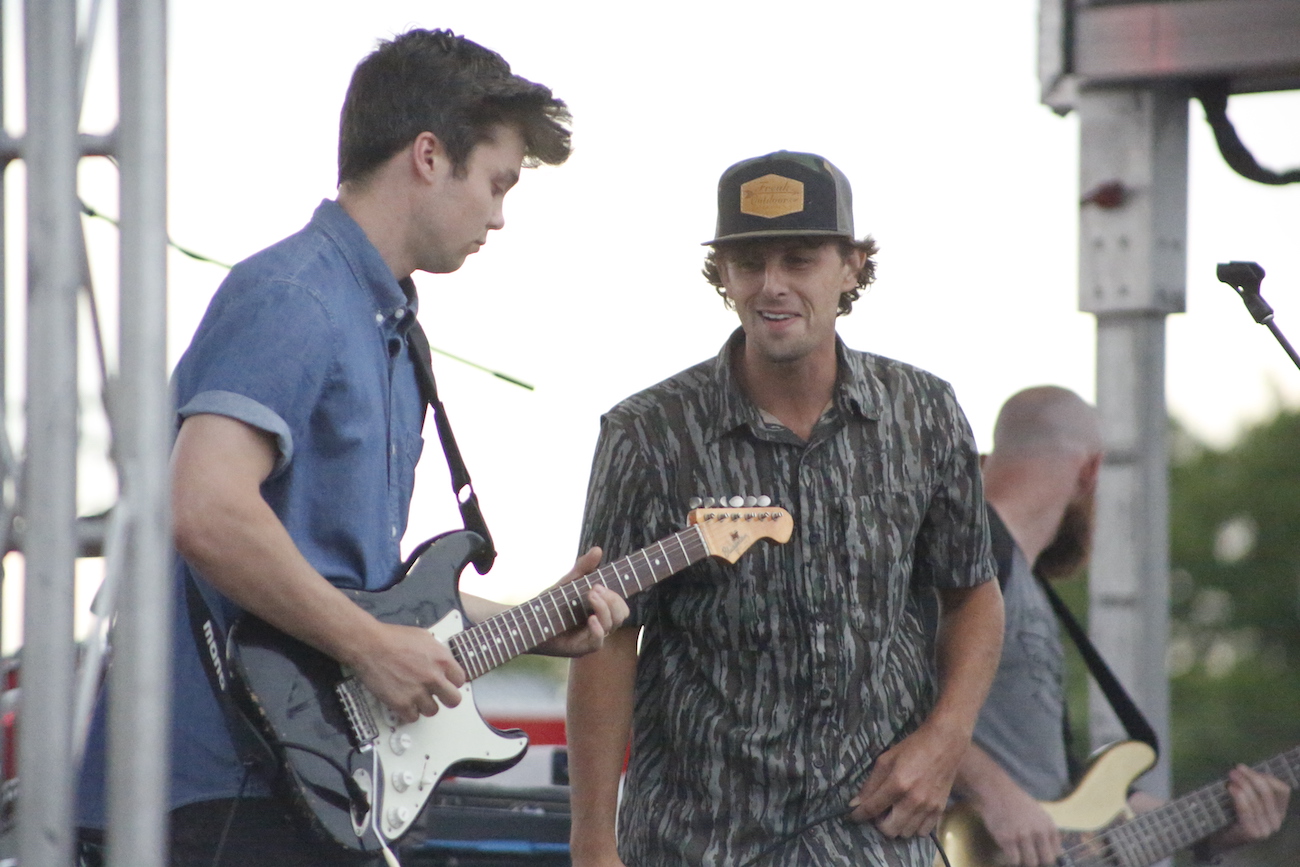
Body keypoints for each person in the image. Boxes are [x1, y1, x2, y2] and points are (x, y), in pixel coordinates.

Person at [76, 29, 627, 867]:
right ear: (430, 156)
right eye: (496, 183)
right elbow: (209, 507)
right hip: (216, 789)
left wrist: (534, 622)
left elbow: (362, 598)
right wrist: (370, 646)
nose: (500, 215)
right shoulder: (297, 294)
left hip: (296, 787)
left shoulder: (388, 328)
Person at [565, 150, 1006, 867]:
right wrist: (591, 843)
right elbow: (606, 638)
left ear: (851, 267)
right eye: (749, 263)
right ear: (723, 275)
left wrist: (947, 739)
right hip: (697, 840)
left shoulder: (924, 411)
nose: (772, 286)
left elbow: (974, 592)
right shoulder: (648, 432)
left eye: (799, 260)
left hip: (873, 836)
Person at [952, 385, 1292, 867]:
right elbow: (876, 697)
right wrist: (995, 795)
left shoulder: (1032, 589)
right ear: (1090, 471)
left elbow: (1070, 798)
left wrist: (1212, 829)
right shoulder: (969, 552)